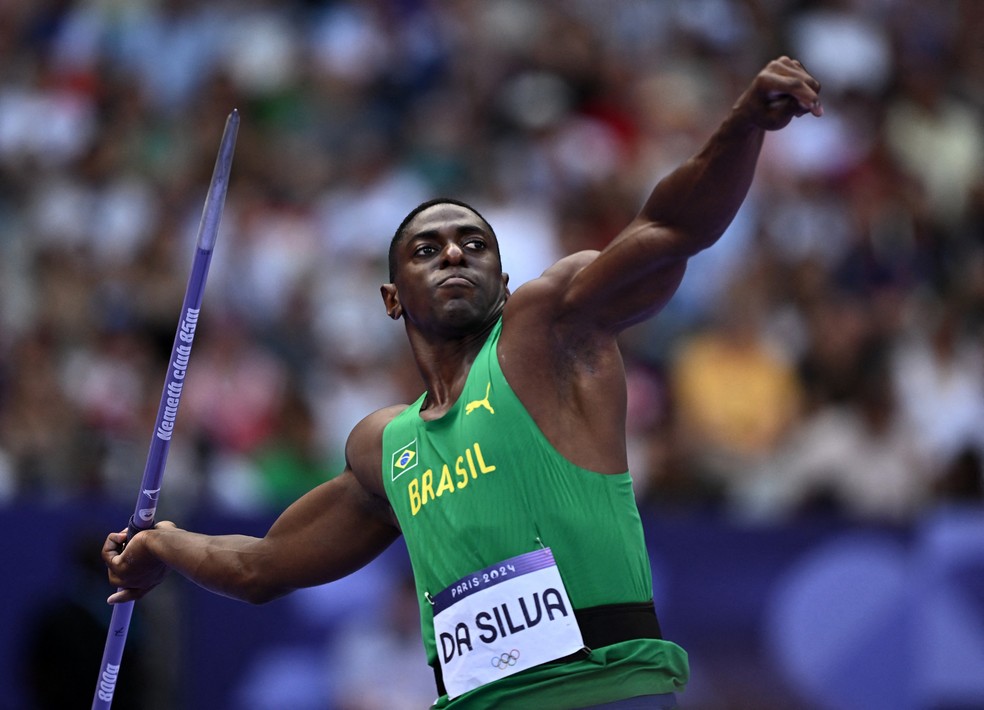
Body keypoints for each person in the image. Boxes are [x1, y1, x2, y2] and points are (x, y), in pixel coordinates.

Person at [103, 57, 822, 709]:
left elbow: (671, 227)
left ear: (502, 280)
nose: (453, 252)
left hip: (603, 693)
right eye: (427, 248)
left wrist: (744, 126)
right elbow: (261, 567)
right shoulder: (387, 446)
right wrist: (164, 544)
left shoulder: (549, 332)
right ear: (393, 298)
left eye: (474, 243)